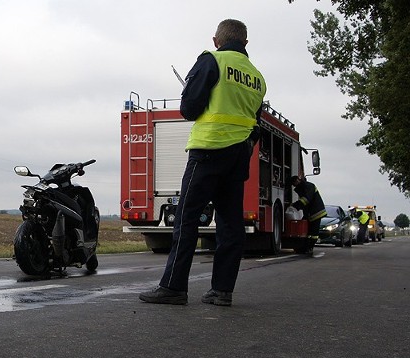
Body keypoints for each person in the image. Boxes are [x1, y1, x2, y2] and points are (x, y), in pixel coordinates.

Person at [139, 19, 266, 307]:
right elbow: (256, 122)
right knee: (230, 224)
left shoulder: (211, 61)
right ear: (245, 44)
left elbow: (189, 108)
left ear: (215, 40)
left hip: (208, 149)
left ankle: (173, 287)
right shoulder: (257, 77)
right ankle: (222, 291)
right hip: (237, 156)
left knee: (186, 218)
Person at [287, 175, 327, 254]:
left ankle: (309, 247)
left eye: (294, 183)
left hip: (315, 213)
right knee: (307, 232)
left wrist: (295, 205)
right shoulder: (303, 187)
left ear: (298, 180)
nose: (294, 185)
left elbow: (306, 200)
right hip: (310, 212)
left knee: (313, 233)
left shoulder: (309, 186)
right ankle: (305, 247)